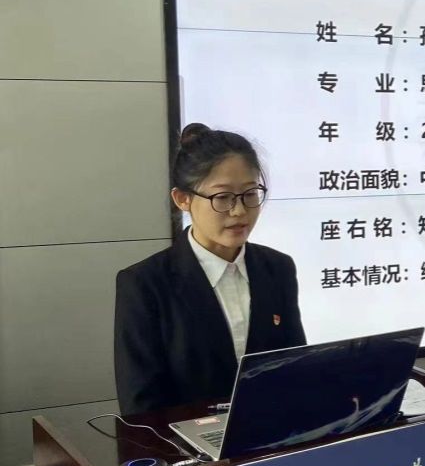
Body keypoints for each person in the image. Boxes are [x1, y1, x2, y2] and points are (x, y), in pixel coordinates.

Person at [114, 123, 306, 416]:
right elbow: (140, 406)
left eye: (250, 194)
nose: (239, 211)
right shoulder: (145, 284)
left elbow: (295, 370)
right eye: (223, 197)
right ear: (183, 199)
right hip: (186, 442)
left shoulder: (277, 268)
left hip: (272, 434)